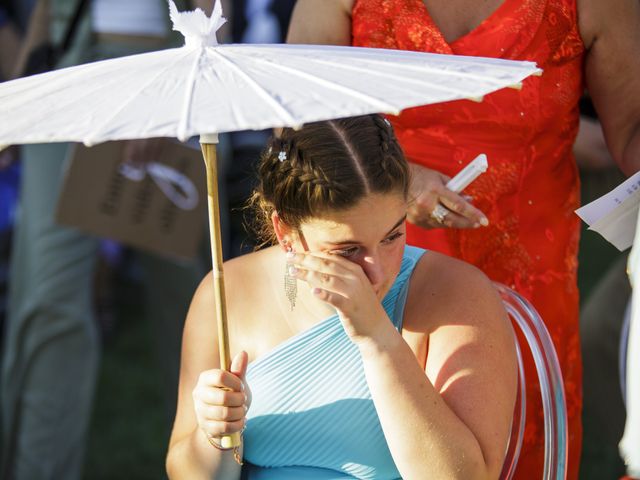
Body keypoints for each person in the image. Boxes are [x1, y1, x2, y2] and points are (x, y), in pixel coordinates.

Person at [286, 1, 640, 478]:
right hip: (381, 265)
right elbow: (296, 121)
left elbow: (633, 129)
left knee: (518, 444)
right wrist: (397, 179)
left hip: (529, 271)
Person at [166, 114, 517, 479]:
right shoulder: (226, 291)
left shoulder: (457, 295)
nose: (377, 271)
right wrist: (214, 435)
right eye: (347, 250)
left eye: (392, 236)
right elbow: (186, 473)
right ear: (284, 231)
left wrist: (379, 340)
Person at [0, 1, 210, 479]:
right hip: (68, 71)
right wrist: (17, 96)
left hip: (169, 66)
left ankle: (212, 464)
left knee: (195, 306)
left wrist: (171, 99)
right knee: (50, 301)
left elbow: (216, 10)